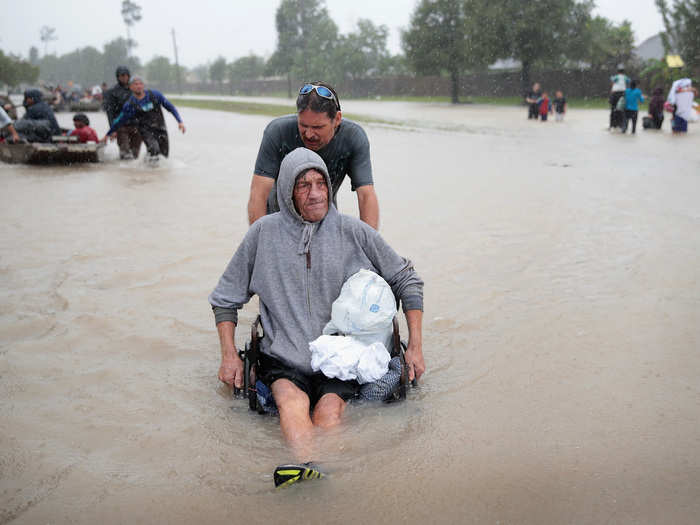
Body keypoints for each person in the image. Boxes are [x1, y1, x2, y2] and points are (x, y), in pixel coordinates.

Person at [209, 147, 425, 486]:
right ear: (286, 193)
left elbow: (407, 280)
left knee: (328, 410)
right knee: (291, 403)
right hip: (285, 355)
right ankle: (309, 468)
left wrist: (416, 347)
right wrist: (228, 356)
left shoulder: (354, 232)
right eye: (303, 185)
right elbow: (225, 298)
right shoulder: (263, 234)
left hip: (339, 355)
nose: (314, 193)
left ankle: (324, 477)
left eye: (321, 183)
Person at [247, 81, 380, 229]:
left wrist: (369, 247)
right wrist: (259, 242)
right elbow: (258, 193)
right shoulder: (278, 132)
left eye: (318, 127)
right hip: (278, 220)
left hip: (324, 221)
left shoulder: (353, 138)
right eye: (303, 125)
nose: (309, 134)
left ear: (337, 119)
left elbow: (366, 196)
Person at [103, 76, 186, 160]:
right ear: (130, 87)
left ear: (143, 85)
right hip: (146, 131)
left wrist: (180, 121)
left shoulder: (155, 95)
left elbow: (171, 108)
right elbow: (119, 121)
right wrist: (108, 133)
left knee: (164, 156)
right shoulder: (130, 105)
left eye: (140, 84)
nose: (138, 86)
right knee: (154, 149)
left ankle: (146, 164)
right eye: (135, 84)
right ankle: (151, 167)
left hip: (161, 129)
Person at [102, 66, 143, 159]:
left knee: (135, 154)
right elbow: (110, 112)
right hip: (121, 126)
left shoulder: (135, 89)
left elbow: (143, 108)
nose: (125, 77)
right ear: (118, 77)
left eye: (126, 75)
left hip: (136, 126)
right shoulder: (112, 92)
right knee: (125, 153)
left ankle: (132, 172)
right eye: (122, 75)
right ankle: (124, 170)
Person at [609, 65, 630, 130]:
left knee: (613, 109)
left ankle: (612, 124)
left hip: (615, 94)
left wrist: (611, 77)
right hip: (622, 94)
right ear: (623, 72)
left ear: (618, 71)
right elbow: (629, 81)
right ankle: (620, 124)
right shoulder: (625, 77)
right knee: (621, 109)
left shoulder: (616, 77)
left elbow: (612, 79)